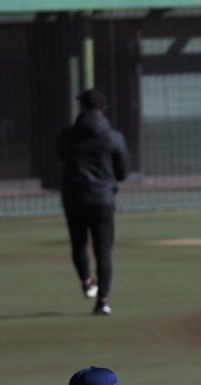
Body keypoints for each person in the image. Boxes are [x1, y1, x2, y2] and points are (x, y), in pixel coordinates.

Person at [58, 88, 129, 316]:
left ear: (83, 108)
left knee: (79, 244)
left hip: (74, 197)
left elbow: (61, 155)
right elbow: (123, 170)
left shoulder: (68, 135)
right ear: (104, 110)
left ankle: (88, 282)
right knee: (103, 250)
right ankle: (103, 301)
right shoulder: (113, 136)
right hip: (103, 199)